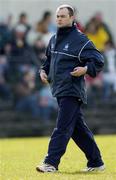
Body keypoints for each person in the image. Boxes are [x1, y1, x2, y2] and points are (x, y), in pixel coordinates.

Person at [36, 4, 105, 173]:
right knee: (77, 129)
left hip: (72, 91)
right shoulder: (53, 39)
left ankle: (50, 163)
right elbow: (47, 62)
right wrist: (43, 71)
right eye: (58, 16)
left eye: (63, 16)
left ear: (72, 18)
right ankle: (96, 162)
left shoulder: (80, 40)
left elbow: (98, 60)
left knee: (62, 127)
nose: (59, 19)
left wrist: (85, 69)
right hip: (59, 90)